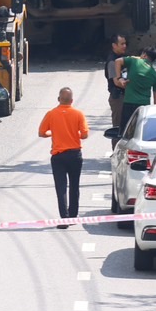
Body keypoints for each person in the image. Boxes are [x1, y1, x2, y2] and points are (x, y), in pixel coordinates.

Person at [38, 87, 89, 224]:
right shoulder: (78, 114)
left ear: (59, 99)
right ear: (72, 101)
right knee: (74, 185)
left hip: (58, 156)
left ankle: (64, 217)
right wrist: (74, 135)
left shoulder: (51, 114)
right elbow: (84, 134)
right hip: (74, 155)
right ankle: (73, 215)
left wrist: (53, 133)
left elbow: (42, 133)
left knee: (61, 187)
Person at [117, 46, 156, 135]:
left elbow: (117, 61)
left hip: (129, 103)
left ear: (144, 55)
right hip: (144, 107)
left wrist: (119, 78)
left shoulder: (134, 62)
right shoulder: (155, 75)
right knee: (140, 133)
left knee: (125, 133)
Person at [104, 34, 128, 131]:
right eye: (122, 44)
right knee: (118, 129)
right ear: (114, 45)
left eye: (125, 43)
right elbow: (117, 82)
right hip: (118, 98)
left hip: (126, 96)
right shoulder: (112, 62)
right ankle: (116, 146)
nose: (124, 46)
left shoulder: (123, 58)